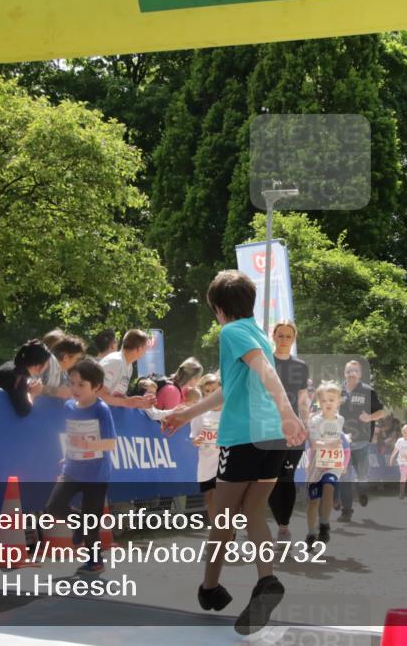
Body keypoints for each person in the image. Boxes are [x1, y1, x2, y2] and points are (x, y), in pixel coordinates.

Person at [161, 270, 307, 636]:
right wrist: (186, 414)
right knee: (253, 511)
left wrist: (289, 413)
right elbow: (230, 387)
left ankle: (209, 588)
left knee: (223, 517)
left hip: (245, 435)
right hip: (271, 437)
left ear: (217, 308)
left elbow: (265, 374)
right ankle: (266, 581)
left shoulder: (231, 331)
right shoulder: (256, 331)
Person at [44, 358, 117, 575]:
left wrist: (88, 444)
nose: (74, 389)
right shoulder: (68, 407)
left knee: (91, 522)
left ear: (96, 387)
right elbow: (71, 434)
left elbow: (111, 443)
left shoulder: (101, 410)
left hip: (96, 474)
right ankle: (78, 523)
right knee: (54, 506)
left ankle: (95, 561)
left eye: (81, 385)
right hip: (73, 470)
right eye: (72, 383)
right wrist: (68, 455)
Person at [268, 320, 310, 542]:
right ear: (273, 336)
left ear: (294, 339)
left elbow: (303, 401)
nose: (284, 340)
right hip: (267, 429)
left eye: (288, 336)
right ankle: (276, 521)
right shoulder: (265, 362)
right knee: (270, 479)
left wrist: (306, 424)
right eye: (280, 335)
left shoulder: (300, 366)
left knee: (287, 477)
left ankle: (283, 526)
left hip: (294, 431)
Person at [337, 360, 386, 523]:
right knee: (344, 477)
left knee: (362, 476)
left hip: (362, 442)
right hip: (342, 442)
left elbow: (382, 412)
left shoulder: (367, 391)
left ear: (360, 373)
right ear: (344, 372)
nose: (352, 373)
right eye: (349, 370)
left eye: (355, 371)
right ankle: (346, 511)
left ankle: (363, 490)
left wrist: (370, 417)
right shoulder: (338, 391)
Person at [304, 381, 345, 548]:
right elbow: (314, 442)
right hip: (316, 465)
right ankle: (311, 532)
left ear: (338, 401)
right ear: (319, 403)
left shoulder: (340, 419)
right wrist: (329, 445)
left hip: (333, 464)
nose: (328, 404)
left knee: (329, 486)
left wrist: (344, 442)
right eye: (324, 400)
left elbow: (340, 440)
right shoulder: (314, 420)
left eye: (331, 400)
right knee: (313, 501)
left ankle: (324, 525)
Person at [0, 340, 51, 417]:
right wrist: (32, 394)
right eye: (47, 364)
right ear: (39, 366)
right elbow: (23, 410)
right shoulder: (18, 376)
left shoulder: (12, 366)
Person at [190, 374, 222, 523]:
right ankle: (216, 530)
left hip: (226, 461)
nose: (210, 394)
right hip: (206, 461)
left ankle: (228, 532)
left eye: (214, 390)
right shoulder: (200, 411)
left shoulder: (230, 410)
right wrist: (196, 440)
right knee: (210, 498)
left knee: (224, 499)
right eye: (207, 391)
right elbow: (194, 437)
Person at [98, 329, 155, 409]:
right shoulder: (115, 362)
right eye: (145, 348)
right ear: (138, 348)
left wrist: (137, 402)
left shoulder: (128, 366)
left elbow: (117, 395)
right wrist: (126, 402)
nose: (146, 352)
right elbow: (100, 395)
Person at [41, 335, 87, 399]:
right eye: (78, 359)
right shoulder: (47, 363)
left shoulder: (64, 373)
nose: (79, 363)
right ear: (65, 358)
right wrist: (57, 391)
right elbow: (29, 386)